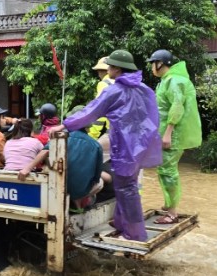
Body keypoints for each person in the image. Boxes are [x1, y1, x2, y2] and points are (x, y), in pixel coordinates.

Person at [51, 49, 161, 242]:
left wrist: (65, 124)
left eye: (110, 65)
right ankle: (120, 224)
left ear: (117, 68)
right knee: (126, 185)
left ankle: (135, 234)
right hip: (141, 144)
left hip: (124, 145)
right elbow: (152, 117)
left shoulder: (114, 90)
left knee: (127, 189)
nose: (107, 68)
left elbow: (91, 112)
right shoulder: (143, 88)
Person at [147, 49, 202, 224]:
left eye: (152, 63)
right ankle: (169, 204)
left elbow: (177, 107)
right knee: (164, 170)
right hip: (166, 133)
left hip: (172, 135)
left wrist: (168, 134)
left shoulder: (173, 81)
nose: (151, 67)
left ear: (160, 64)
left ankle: (172, 213)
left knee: (168, 172)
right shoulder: (166, 81)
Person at [87, 57, 113, 141]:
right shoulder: (124, 82)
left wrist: (92, 136)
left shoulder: (104, 84)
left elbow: (100, 112)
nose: (98, 74)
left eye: (98, 71)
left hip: (114, 131)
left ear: (103, 71)